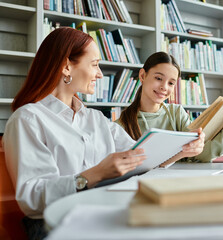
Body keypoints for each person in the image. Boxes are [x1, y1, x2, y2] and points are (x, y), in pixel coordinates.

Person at [2, 28, 204, 240]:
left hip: (102, 214)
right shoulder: (28, 119)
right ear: (66, 66)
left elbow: (143, 156)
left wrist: (182, 150)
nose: (100, 73)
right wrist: (95, 174)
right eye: (95, 64)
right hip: (56, 224)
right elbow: (32, 198)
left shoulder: (96, 119)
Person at [117, 51, 223, 162]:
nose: (164, 87)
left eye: (171, 83)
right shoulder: (121, 125)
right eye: (158, 78)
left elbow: (201, 155)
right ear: (142, 75)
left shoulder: (176, 113)